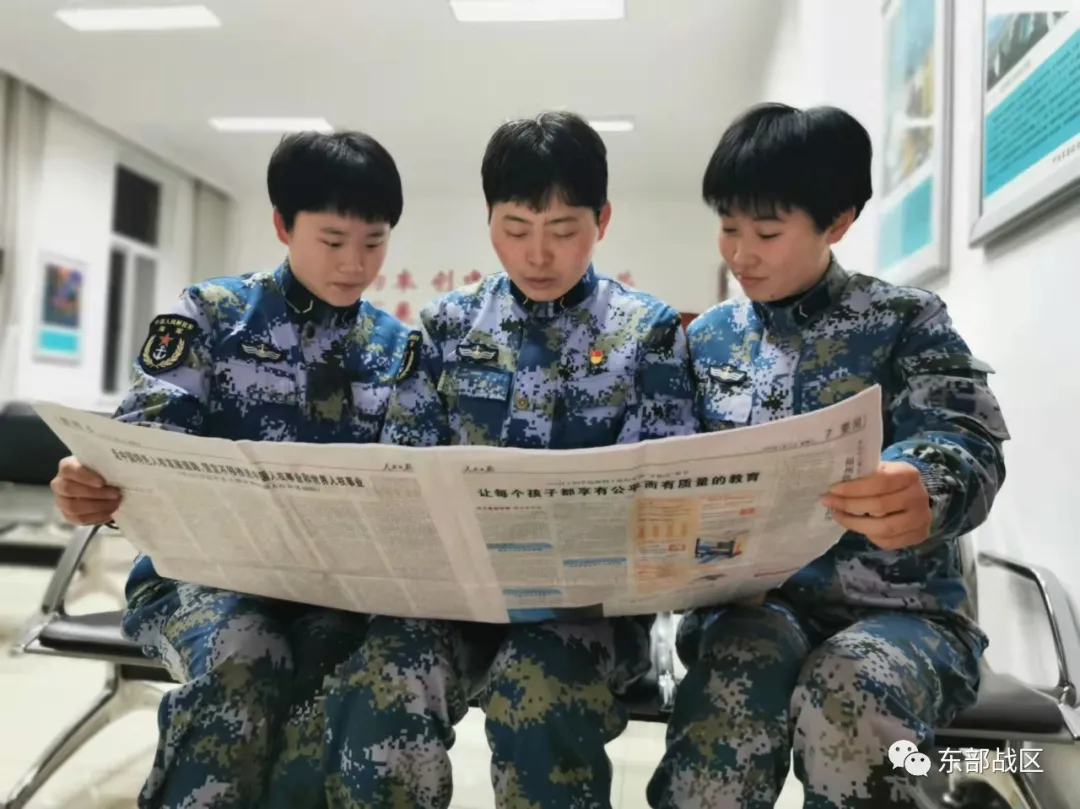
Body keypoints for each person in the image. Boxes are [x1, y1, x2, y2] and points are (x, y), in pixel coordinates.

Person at [322, 110, 698, 809]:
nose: (538, 255)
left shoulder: (644, 331)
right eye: (516, 229)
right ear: (489, 219)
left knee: (540, 689)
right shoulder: (448, 325)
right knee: (380, 677)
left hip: (586, 612)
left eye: (563, 230)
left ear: (602, 220)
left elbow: (666, 488)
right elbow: (405, 464)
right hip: (458, 597)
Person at [646, 102, 1010, 809]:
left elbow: (966, 437)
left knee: (849, 693)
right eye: (727, 227)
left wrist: (925, 483)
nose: (740, 255)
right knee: (729, 700)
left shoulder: (905, 320)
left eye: (766, 233)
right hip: (754, 606)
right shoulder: (707, 340)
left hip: (902, 611)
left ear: (836, 223)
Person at [49, 129, 419, 809]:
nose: (355, 264)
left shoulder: (396, 348)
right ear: (283, 225)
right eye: (332, 240)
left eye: (374, 243)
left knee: (335, 681)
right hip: (198, 580)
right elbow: (143, 445)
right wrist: (91, 484)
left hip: (333, 590)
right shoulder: (213, 317)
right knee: (243, 657)